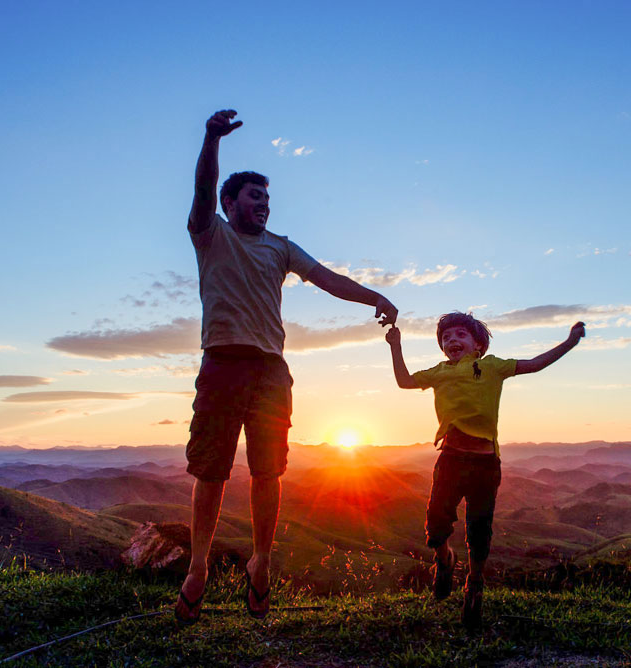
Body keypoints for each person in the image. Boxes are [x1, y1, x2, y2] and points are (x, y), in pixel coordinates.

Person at [176, 109, 398, 624]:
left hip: (272, 371)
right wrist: (211, 140)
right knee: (210, 471)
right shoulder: (211, 233)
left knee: (267, 472)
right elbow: (204, 188)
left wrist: (375, 296)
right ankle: (198, 567)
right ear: (231, 204)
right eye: (255, 197)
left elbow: (327, 278)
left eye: (268, 199)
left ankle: (261, 560)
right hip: (222, 365)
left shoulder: (281, 247)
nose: (264, 205)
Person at [385, 312, 584, 631]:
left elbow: (535, 363)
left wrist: (570, 342)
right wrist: (395, 346)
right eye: (446, 338)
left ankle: (474, 584)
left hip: (485, 464)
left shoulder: (493, 366)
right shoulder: (439, 372)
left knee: (479, 528)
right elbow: (405, 381)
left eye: (460, 335)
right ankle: (445, 560)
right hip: (450, 459)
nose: (452, 341)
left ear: (478, 345)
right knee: (436, 522)